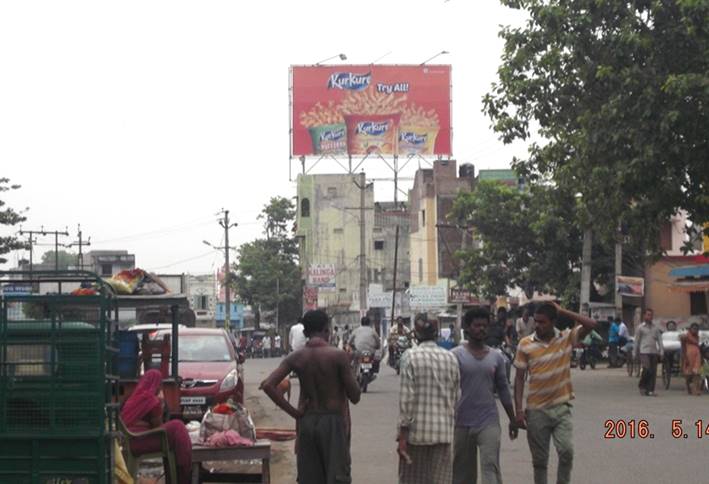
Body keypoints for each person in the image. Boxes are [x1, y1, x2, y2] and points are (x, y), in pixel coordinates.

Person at [260, 309, 360, 484]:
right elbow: (355, 395)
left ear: (305, 332)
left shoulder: (296, 356)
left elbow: (268, 385)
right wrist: (348, 367)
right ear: (326, 330)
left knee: (310, 477)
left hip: (307, 421)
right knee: (337, 476)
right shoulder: (338, 356)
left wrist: (295, 413)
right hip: (333, 422)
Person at [513, 302, 598, 484]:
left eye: (542, 322)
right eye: (536, 322)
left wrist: (563, 310)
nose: (537, 326)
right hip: (536, 411)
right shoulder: (525, 344)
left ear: (553, 322)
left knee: (566, 452)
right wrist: (519, 411)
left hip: (561, 407)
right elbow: (519, 379)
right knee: (540, 462)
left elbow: (591, 324)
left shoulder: (566, 337)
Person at [452, 307, 517, 484]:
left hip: (488, 421)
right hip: (462, 423)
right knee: (462, 473)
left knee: (490, 466)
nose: (481, 329)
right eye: (477, 325)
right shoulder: (455, 355)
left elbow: (503, 389)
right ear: (467, 327)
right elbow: (448, 389)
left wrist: (513, 419)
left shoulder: (496, 357)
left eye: (484, 326)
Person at [397, 315, 460, 484]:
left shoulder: (410, 357)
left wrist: (402, 436)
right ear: (437, 333)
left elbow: (406, 400)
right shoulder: (451, 358)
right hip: (443, 433)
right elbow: (456, 397)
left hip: (416, 435)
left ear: (415, 333)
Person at [120, 370, 192, 484]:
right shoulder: (152, 401)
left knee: (175, 433)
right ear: (156, 384)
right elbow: (157, 427)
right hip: (139, 442)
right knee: (177, 427)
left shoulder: (133, 397)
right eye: (160, 384)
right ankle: (182, 475)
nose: (160, 387)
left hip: (129, 441)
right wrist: (161, 405)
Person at [634, 308, 664, 397]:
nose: (649, 317)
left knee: (653, 371)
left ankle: (650, 390)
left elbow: (660, 340)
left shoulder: (655, 328)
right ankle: (642, 385)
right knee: (646, 369)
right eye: (648, 315)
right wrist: (634, 353)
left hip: (654, 352)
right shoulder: (640, 328)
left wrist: (661, 351)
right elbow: (636, 341)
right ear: (644, 316)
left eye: (651, 315)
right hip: (644, 352)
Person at [680, 323, 702, 395]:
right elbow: (683, 345)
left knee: (697, 372)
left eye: (696, 329)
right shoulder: (686, 336)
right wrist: (684, 356)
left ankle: (696, 390)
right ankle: (688, 387)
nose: (695, 330)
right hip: (688, 355)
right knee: (688, 374)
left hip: (697, 355)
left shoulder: (697, 337)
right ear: (690, 329)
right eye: (694, 329)